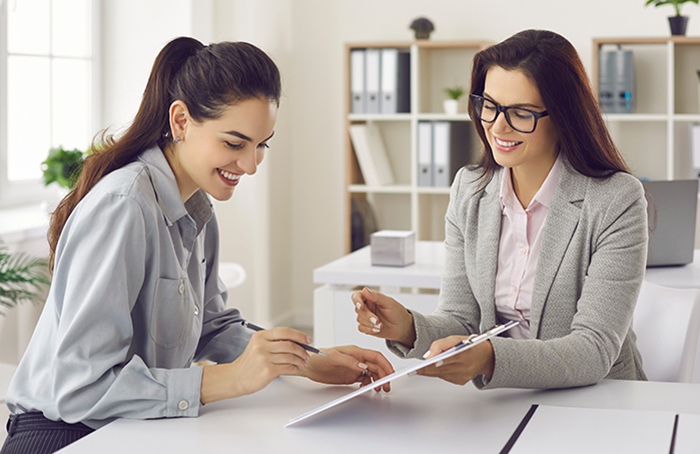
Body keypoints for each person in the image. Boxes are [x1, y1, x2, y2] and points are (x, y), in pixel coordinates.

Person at [1, 37, 393, 454]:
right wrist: (229, 379)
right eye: (234, 143)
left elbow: (209, 324)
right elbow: (79, 387)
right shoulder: (125, 206)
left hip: (133, 427)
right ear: (181, 120)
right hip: (63, 435)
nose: (251, 165)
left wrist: (307, 360)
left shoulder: (198, 207)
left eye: (262, 145)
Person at [353, 29, 648, 390]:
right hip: (502, 400)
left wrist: (491, 357)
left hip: (597, 399)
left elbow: (593, 349)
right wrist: (411, 327)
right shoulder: (470, 189)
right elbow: (461, 320)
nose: (497, 126)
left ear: (563, 115)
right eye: (489, 106)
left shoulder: (616, 199)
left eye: (520, 112)